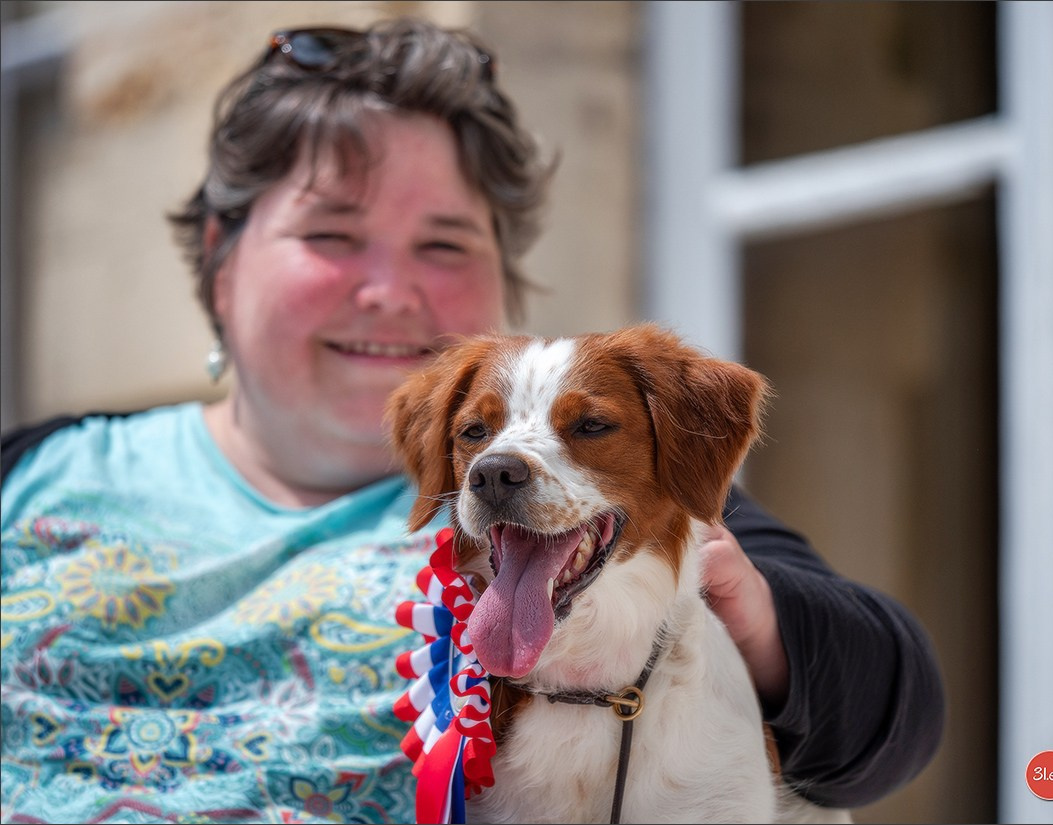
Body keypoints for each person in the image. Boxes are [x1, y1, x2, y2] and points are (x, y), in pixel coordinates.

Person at [0, 16, 944, 824]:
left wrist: (757, 620)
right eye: (331, 234)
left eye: (443, 241)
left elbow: (891, 712)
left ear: (503, 269)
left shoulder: (608, 510)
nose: (389, 290)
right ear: (221, 254)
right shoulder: (37, 468)